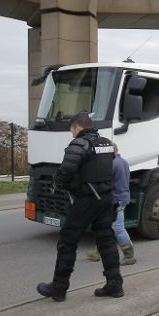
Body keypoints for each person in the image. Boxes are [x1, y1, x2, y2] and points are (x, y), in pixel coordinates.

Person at [36, 113, 124, 302]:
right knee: (106, 240)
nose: (71, 134)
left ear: (77, 128)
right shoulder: (106, 143)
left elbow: (66, 169)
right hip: (106, 198)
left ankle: (59, 288)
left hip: (87, 199)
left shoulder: (79, 143)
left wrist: (59, 183)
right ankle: (115, 284)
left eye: (71, 130)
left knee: (67, 242)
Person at [86, 144, 136, 265]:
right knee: (105, 226)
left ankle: (129, 256)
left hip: (116, 199)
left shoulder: (112, 165)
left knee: (118, 227)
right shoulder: (123, 162)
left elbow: (105, 183)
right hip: (123, 197)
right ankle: (97, 253)